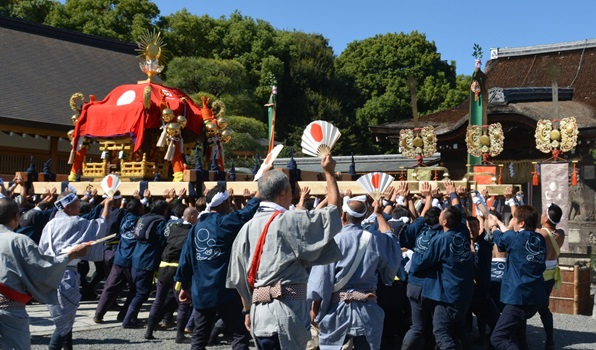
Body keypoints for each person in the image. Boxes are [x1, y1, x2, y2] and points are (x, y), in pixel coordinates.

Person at [227, 154, 343, 350]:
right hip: (287, 314)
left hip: (259, 315)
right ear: (282, 193)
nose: (292, 196)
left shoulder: (246, 228)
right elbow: (333, 213)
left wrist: (247, 311)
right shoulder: (289, 220)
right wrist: (329, 173)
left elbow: (239, 278)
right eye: (291, 192)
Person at [308, 195, 402, 349]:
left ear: (343, 215)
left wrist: (315, 309)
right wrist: (379, 214)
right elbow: (391, 239)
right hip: (367, 310)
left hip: (336, 311)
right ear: (365, 216)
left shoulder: (334, 241)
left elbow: (321, 280)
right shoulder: (376, 239)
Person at [0, 198, 90, 350]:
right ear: (16, 216)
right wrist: (71, 255)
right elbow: (43, 267)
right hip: (9, 307)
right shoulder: (18, 240)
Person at [176, 187, 260, 350]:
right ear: (224, 204)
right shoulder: (224, 222)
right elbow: (246, 213)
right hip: (224, 291)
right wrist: (257, 195)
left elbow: (185, 259)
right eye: (228, 201)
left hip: (201, 291)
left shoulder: (195, 229)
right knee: (240, 334)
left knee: (199, 336)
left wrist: (184, 287)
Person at [39, 191, 112, 350]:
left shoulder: (50, 224)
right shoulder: (75, 223)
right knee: (64, 321)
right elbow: (101, 224)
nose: (79, 208)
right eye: (76, 206)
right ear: (67, 208)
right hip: (66, 274)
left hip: (50, 273)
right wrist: (106, 205)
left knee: (67, 316)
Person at [410, 181, 475, 350]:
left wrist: (413, 263)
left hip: (448, 293)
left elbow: (424, 261)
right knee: (459, 328)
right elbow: (459, 212)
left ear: (444, 222)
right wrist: (453, 194)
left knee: (440, 331)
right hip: (464, 289)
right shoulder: (463, 231)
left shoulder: (441, 239)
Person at [488, 205, 547, 350]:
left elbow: (501, 241)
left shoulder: (514, 238)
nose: (512, 220)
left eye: (514, 218)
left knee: (498, 338)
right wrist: (500, 223)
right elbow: (510, 235)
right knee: (519, 333)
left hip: (519, 298)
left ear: (521, 223)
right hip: (536, 296)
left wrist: (493, 227)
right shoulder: (539, 239)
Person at [145, 206, 199, 342]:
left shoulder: (173, 227)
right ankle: (180, 335)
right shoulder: (192, 231)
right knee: (183, 303)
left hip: (164, 267)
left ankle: (149, 331)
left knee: (158, 300)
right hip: (177, 270)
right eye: (197, 216)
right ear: (192, 217)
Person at [94, 198, 145, 323]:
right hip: (132, 260)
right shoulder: (141, 222)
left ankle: (99, 314)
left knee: (110, 286)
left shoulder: (124, 219)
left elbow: (122, 211)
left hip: (119, 257)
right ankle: (125, 315)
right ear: (139, 209)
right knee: (135, 289)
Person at [121, 199, 170, 328]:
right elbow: (162, 238)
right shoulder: (160, 221)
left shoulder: (144, 217)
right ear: (164, 210)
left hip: (136, 256)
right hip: (147, 258)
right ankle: (127, 320)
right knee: (142, 292)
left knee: (137, 290)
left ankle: (131, 317)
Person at [537, 203, 565, 350]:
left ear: (546, 218)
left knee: (522, 308)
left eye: (542, 214)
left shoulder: (540, 233)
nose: (540, 216)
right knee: (544, 308)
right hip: (551, 276)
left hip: (540, 276)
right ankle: (550, 341)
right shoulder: (561, 233)